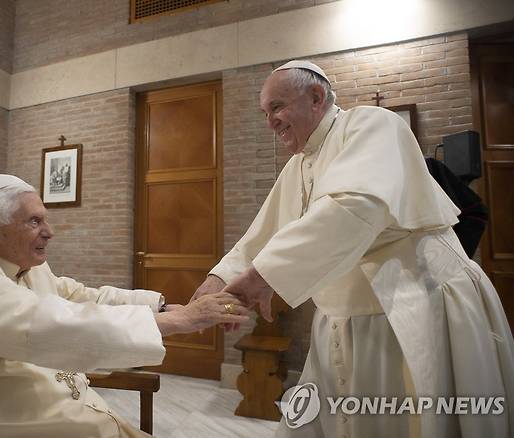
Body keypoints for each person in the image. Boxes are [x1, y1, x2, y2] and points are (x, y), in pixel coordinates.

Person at [191, 60, 514, 437]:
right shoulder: (298, 166)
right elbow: (260, 235)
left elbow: (355, 206)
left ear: (316, 97)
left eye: (277, 107)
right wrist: (218, 280)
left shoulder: (372, 124)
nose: (270, 122)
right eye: (265, 113)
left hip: (411, 306)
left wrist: (262, 277)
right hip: (342, 321)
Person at [0, 174, 248, 438]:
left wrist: (163, 306)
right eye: (34, 221)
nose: (49, 232)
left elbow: (83, 296)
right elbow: (43, 323)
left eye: (45, 219)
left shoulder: (29, 267)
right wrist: (179, 322)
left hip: (58, 414)